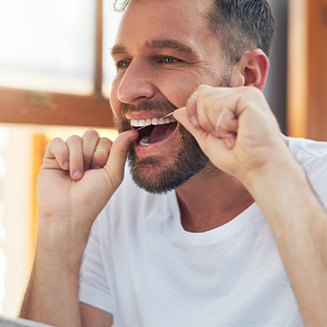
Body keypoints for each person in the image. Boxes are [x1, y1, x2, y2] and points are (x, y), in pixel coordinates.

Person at [20, 0, 327, 326]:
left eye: (167, 58)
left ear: (248, 77)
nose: (127, 91)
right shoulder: (112, 201)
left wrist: (268, 172)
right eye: (123, 63)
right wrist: (60, 228)